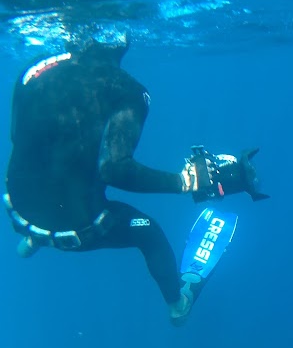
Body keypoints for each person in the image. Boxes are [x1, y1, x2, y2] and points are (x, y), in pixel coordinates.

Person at [3, 38, 265, 326]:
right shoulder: (128, 90)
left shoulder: (36, 67)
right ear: (122, 41)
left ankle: (31, 239)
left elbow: (19, 137)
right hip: (74, 228)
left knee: (61, 159)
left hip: (17, 207)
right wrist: (185, 181)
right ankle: (178, 307)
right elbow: (114, 170)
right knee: (149, 233)